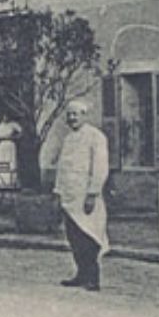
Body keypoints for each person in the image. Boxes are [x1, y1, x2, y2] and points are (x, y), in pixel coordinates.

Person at [52, 100, 109, 291]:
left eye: (76, 114)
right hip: (70, 198)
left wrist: (93, 193)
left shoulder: (96, 137)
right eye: (69, 114)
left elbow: (100, 167)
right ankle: (81, 274)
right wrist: (59, 192)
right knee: (74, 238)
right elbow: (62, 168)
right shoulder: (68, 139)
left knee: (89, 236)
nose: (72, 118)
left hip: (86, 197)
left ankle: (93, 277)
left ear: (85, 115)